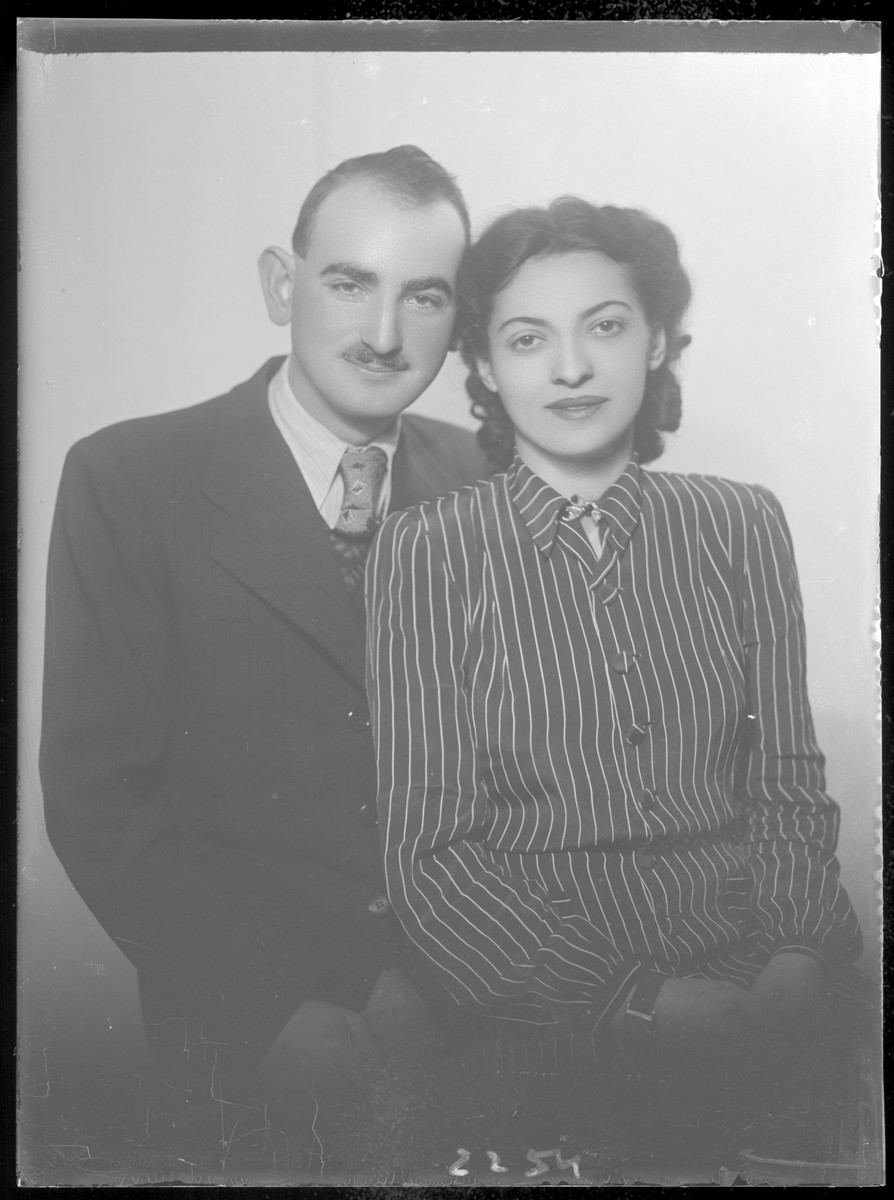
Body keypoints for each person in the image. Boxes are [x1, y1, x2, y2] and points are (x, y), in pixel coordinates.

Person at [365, 197, 867, 1166]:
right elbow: (430, 856)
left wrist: (801, 957)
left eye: (605, 326)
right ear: (481, 367)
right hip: (540, 1009)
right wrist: (634, 1000)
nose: (570, 368)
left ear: (661, 340)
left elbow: (788, 785)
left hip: (755, 974)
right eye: (526, 338)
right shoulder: (429, 551)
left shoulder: (741, 523)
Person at [39, 145, 489, 1160]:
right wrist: (266, 1011)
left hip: (469, 1037)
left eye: (424, 297)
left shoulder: (489, 481)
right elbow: (96, 798)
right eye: (348, 284)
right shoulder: (129, 478)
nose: (383, 335)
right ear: (281, 285)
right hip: (242, 1060)